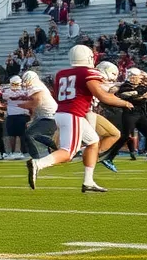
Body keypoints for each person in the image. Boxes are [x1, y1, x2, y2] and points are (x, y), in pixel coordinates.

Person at [25, 45, 131, 193]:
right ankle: (38, 164)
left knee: (93, 141)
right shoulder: (87, 72)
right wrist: (124, 102)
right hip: (73, 114)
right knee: (68, 152)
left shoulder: (62, 73)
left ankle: (88, 181)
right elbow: (102, 95)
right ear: (88, 57)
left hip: (63, 113)